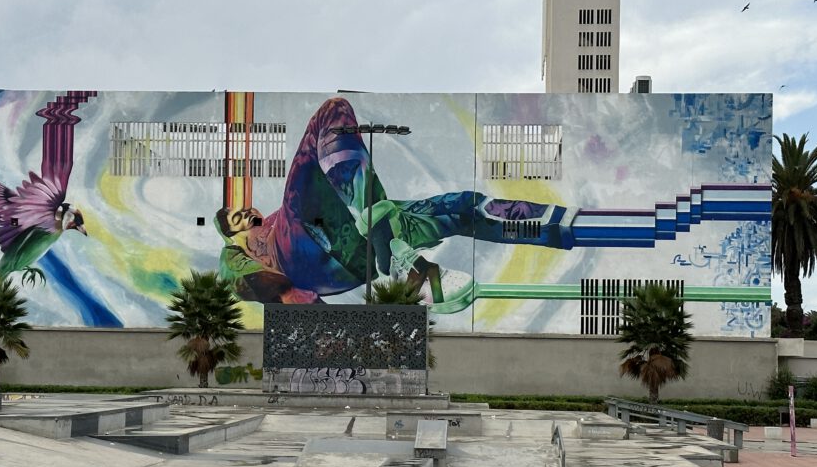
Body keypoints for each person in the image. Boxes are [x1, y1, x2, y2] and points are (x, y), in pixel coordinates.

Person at [215, 97, 574, 310]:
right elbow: (243, 279)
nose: (245, 213)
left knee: (459, 208)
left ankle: (555, 223)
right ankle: (385, 232)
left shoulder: (278, 215)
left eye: (242, 209)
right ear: (232, 231)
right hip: (301, 257)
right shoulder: (243, 246)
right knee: (331, 111)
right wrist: (292, 295)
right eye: (236, 217)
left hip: (362, 258)